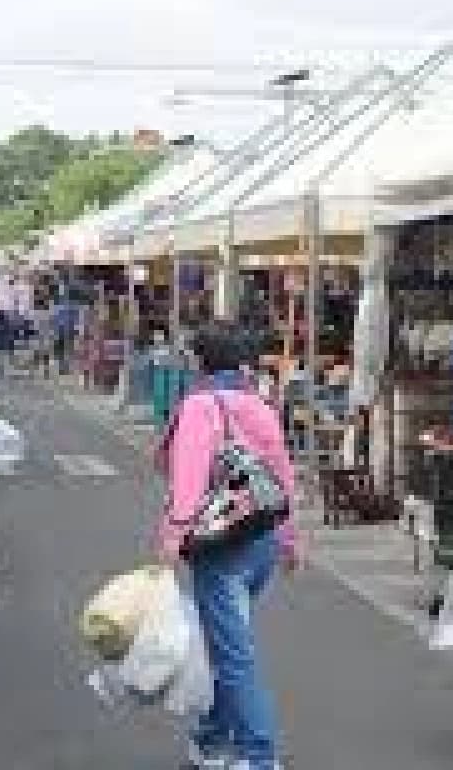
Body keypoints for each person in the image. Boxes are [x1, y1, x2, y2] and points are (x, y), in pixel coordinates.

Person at [160, 324, 301, 770]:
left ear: (201, 362)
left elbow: (189, 474)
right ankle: (211, 739)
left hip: (220, 543)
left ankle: (260, 757)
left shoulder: (200, 405)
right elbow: (282, 475)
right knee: (226, 646)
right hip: (260, 540)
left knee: (233, 657)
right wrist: (290, 537)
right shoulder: (261, 405)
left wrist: (173, 533)